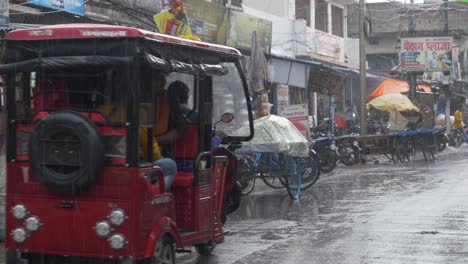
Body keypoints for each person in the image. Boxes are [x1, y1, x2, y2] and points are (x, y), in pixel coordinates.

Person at [141, 72, 186, 192]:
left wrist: (156, 140)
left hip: (157, 150)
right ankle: (156, 197)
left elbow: (178, 131)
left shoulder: (169, 100)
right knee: (169, 166)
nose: (163, 82)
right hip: (141, 158)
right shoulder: (134, 101)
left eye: (162, 79)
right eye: (158, 79)